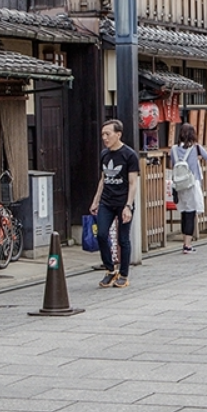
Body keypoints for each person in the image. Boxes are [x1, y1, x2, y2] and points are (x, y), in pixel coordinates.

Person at [89, 119, 139, 289]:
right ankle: (110, 269)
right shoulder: (104, 154)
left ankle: (123, 274)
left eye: (108, 134)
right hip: (107, 201)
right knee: (101, 235)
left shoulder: (129, 155)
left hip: (123, 202)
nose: (104, 137)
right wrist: (96, 200)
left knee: (122, 239)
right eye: (102, 134)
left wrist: (128, 206)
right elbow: (103, 179)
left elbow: (133, 183)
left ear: (118, 134)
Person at [170, 123, 207, 253]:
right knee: (191, 212)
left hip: (179, 183)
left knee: (184, 212)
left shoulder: (173, 149)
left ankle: (185, 240)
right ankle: (187, 244)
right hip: (191, 183)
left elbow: (173, 164)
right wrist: (198, 157)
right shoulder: (196, 148)